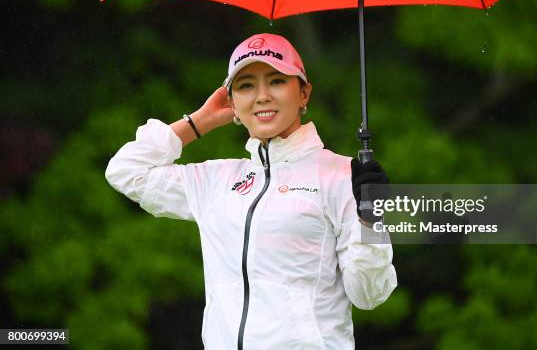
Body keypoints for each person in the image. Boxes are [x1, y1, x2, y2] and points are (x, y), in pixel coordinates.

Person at [105, 33, 397, 349]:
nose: (261, 96)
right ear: (231, 102)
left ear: (303, 93)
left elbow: (369, 295)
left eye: (276, 81)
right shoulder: (217, 180)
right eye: (246, 86)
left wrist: (372, 221)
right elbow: (126, 172)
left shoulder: (345, 176)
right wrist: (200, 121)